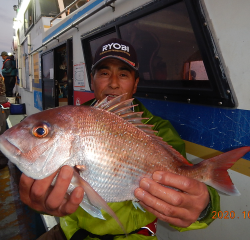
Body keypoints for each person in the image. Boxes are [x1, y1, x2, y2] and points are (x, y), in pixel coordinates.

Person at [19, 38, 220, 239]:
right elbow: (50, 189)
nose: (113, 83)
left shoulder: (160, 131)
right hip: (69, 233)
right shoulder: (71, 122)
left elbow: (184, 193)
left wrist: (204, 207)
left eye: (123, 74)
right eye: (105, 73)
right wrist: (42, 204)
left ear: (135, 84)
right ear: (92, 80)